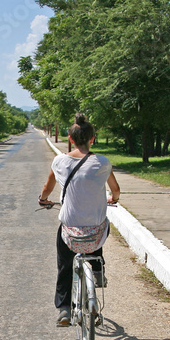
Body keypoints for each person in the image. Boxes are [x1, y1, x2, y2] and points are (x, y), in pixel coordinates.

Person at [38, 113, 121, 326]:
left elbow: (47, 188)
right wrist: (113, 198)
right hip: (95, 233)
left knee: (65, 265)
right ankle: (97, 269)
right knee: (100, 224)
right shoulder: (102, 162)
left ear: (71, 138)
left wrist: (43, 199)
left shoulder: (59, 162)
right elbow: (116, 190)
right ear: (92, 138)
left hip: (70, 234)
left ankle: (64, 309)